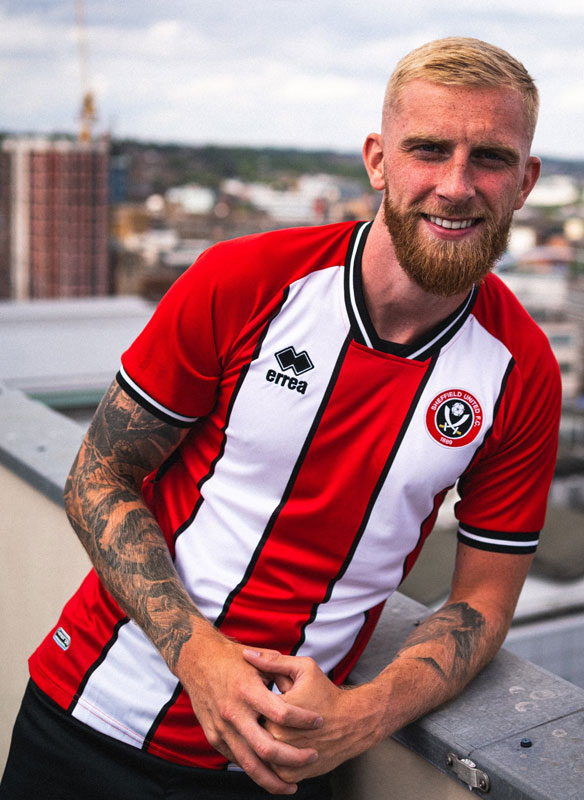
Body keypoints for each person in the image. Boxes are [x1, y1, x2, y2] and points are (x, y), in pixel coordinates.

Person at [1, 36, 561, 799]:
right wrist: (197, 656)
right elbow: (98, 476)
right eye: (429, 149)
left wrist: (366, 714)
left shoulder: (522, 371)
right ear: (378, 161)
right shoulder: (246, 281)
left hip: (284, 769)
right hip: (88, 719)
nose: (456, 185)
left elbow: (483, 599)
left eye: (490, 158)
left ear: (526, 181)